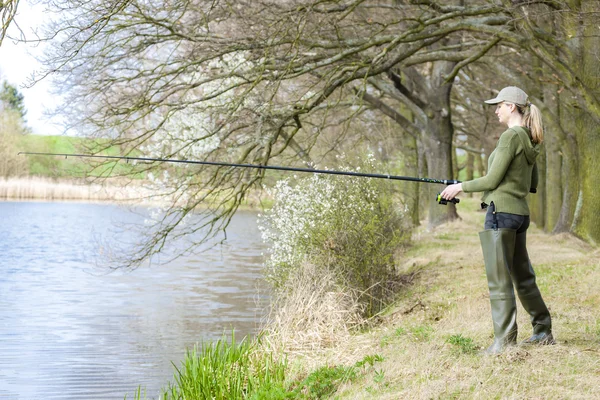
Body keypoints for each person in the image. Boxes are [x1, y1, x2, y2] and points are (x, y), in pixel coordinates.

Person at [440, 86, 554, 354]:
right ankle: (543, 330)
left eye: (499, 105)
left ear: (511, 107)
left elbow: (491, 180)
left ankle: (504, 342)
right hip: (519, 214)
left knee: (499, 279)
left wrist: (460, 187)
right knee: (523, 277)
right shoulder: (530, 138)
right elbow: (533, 182)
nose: (496, 110)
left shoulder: (510, 137)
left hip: (500, 213)